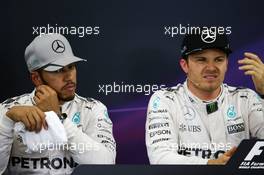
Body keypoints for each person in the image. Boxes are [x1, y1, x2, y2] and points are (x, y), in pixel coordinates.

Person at [0, 33, 116, 174]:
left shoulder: (92, 109)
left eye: (71, 67)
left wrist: (59, 118)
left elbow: (106, 164)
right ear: (36, 78)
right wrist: (6, 122)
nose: (69, 77)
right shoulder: (8, 110)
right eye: (58, 70)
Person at [145, 31, 264, 164]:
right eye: (201, 60)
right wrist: (210, 165)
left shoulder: (245, 98)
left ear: (226, 64)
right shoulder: (166, 100)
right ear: (185, 65)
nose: (211, 68)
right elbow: (160, 158)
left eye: (219, 60)